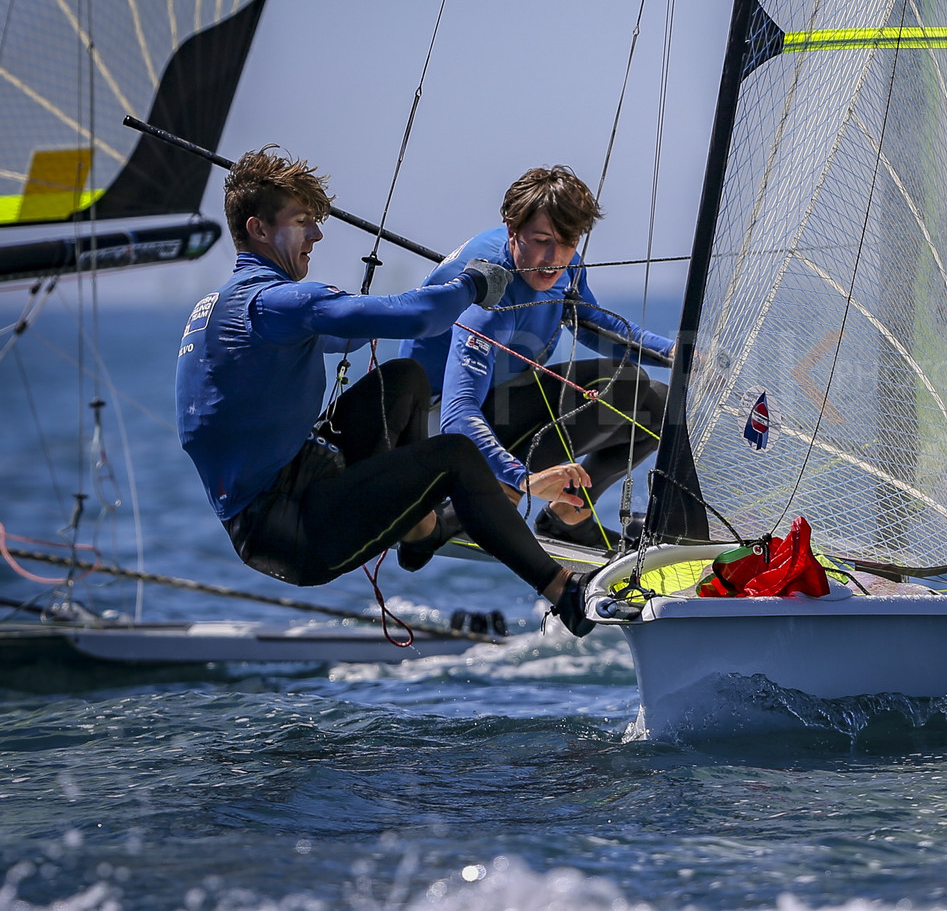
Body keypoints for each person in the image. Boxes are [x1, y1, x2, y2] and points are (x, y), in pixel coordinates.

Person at [176, 148, 595, 636]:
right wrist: (471, 284)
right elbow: (418, 318)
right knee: (454, 455)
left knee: (404, 378)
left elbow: (353, 332)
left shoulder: (228, 304)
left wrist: (392, 303)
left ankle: (419, 527)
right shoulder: (276, 303)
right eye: (302, 222)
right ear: (259, 229)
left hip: (297, 485)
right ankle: (564, 592)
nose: (316, 234)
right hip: (289, 530)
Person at [403, 166, 674, 549]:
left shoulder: (566, 264)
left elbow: (590, 322)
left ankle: (569, 517)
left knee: (656, 403)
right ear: (512, 230)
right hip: (437, 420)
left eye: (567, 243)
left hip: (498, 397)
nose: (553, 258)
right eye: (542, 240)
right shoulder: (487, 295)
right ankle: (472, 510)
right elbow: (458, 412)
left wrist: (676, 353)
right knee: (624, 384)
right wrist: (522, 479)